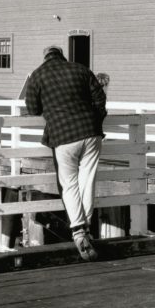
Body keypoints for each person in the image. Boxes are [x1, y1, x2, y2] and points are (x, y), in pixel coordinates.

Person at [25, 45, 108, 260]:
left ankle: (79, 232)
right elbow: (100, 98)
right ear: (62, 55)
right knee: (87, 180)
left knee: (69, 184)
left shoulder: (37, 75)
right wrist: (95, 119)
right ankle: (85, 229)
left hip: (63, 136)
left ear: (45, 57)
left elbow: (32, 108)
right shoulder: (80, 69)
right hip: (91, 133)